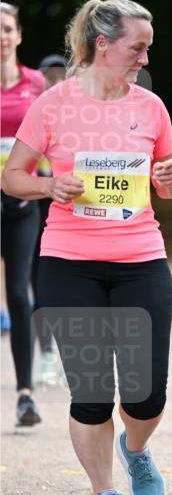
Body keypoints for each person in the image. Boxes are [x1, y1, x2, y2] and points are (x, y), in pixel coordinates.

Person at [2, 0, 172, 495]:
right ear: (103, 44)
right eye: (137, 47)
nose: (144, 58)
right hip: (69, 262)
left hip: (141, 259)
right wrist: (49, 185)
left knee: (147, 393)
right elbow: (13, 175)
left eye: (148, 48)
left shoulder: (150, 107)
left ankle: (136, 448)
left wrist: (170, 179)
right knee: (91, 392)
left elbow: (169, 181)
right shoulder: (53, 104)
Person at [1, 1, 46, 425]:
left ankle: (25, 395)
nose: (1, 36)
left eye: (6, 28)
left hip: (20, 205)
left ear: (18, 35)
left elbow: (54, 135)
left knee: (18, 293)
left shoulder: (35, 84)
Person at [32, 54, 69, 385]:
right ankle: (46, 353)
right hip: (36, 204)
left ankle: (70, 353)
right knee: (38, 283)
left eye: (61, 74)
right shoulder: (33, 111)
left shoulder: (78, 111)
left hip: (69, 209)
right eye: (49, 75)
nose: (55, 80)